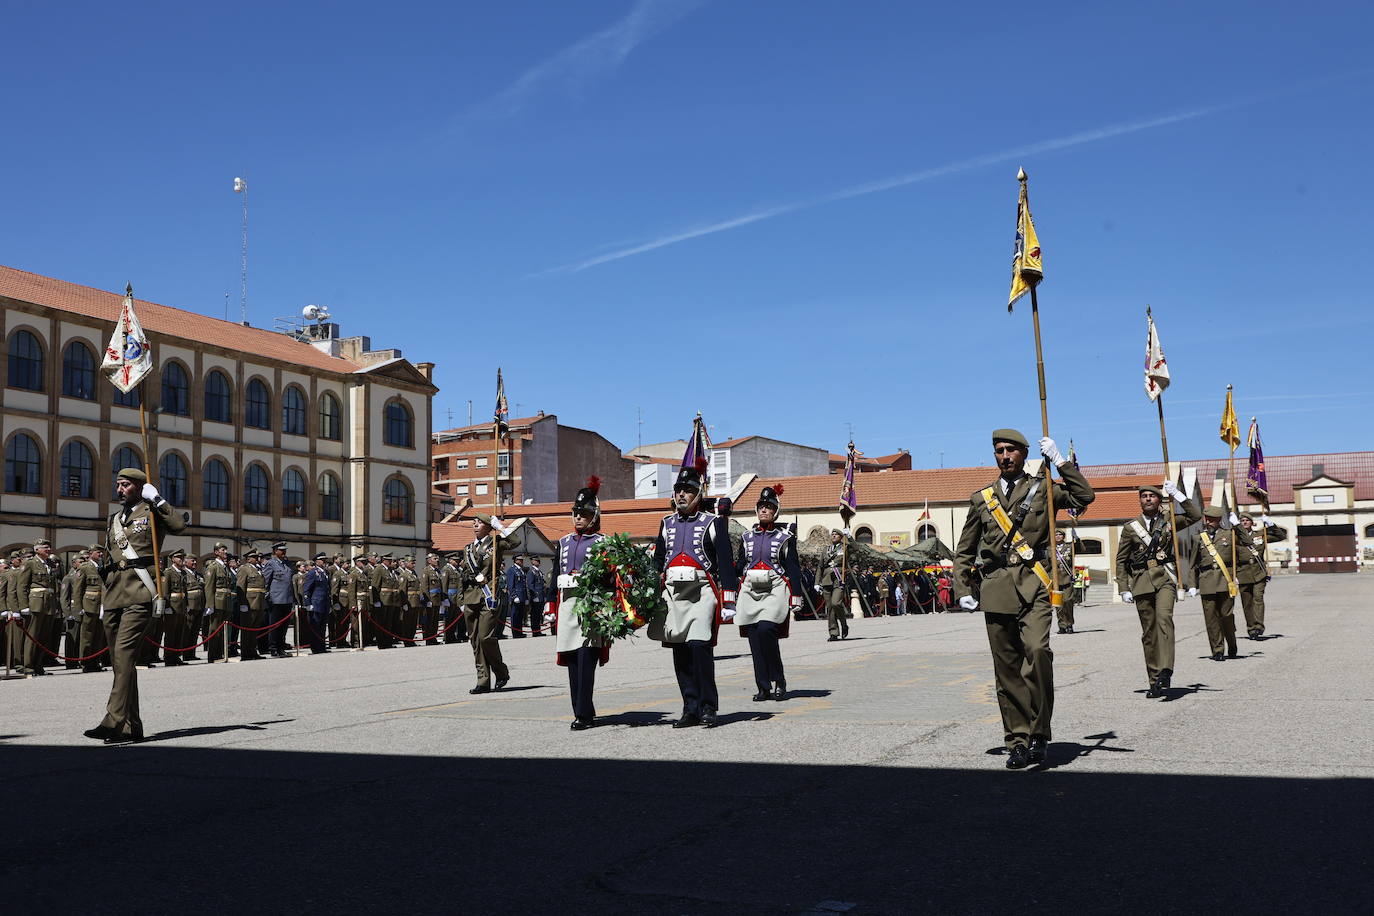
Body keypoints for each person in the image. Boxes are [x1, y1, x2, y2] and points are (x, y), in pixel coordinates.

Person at [954, 429, 1094, 770]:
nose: (1004, 456)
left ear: (1024, 454)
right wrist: (963, 590)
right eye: (999, 450)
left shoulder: (1043, 489)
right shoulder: (981, 499)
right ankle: (1017, 740)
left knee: (1037, 652)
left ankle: (1039, 733)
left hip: (1036, 584)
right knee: (1007, 671)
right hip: (997, 588)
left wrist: (1061, 463)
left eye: (1011, 450)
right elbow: (964, 550)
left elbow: (1083, 497)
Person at [83, 467, 186, 744]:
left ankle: (113, 720)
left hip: (140, 592)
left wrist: (159, 500)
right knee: (119, 663)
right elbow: (110, 557)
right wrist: (106, 596)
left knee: (125, 655)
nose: (119, 489)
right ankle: (132, 726)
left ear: (139, 487)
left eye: (125, 484)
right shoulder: (115, 519)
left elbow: (179, 526)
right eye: (118, 484)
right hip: (114, 593)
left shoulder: (152, 512)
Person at [650, 465, 738, 728]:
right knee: (680, 652)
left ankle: (709, 707)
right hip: (673, 595)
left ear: (699, 494)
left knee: (699, 647)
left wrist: (729, 599)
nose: (682, 495)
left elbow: (725, 562)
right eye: (679, 490)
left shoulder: (713, 523)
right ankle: (690, 708)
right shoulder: (666, 523)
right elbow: (657, 561)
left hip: (702, 593)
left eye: (688, 491)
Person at [1115, 482, 1202, 696]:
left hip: (1164, 578)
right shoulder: (1130, 527)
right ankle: (1154, 680)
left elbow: (1195, 515)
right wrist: (1123, 587)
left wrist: (1179, 495)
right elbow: (1121, 560)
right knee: (1149, 633)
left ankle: (1166, 670)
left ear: (1159, 500)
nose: (1147, 499)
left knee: (1164, 620)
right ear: (1140, 500)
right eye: (1143, 496)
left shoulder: (1169, 521)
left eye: (1151, 496)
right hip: (1141, 580)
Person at [734, 484, 803, 702]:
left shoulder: (785, 537)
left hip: (774, 588)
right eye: (761, 506)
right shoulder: (746, 537)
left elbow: (793, 567)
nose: (764, 510)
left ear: (775, 511)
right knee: (754, 637)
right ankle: (763, 686)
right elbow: (740, 565)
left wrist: (796, 595)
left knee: (766, 630)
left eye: (769, 507)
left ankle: (778, 679)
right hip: (750, 588)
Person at [552, 477, 609, 729]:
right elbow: (554, 576)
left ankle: (583, 714)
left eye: (583, 514)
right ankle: (580, 708)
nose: (578, 518)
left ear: (594, 516)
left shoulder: (603, 542)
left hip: (591, 606)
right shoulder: (563, 542)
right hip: (566, 605)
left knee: (586, 660)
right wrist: (549, 608)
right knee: (572, 662)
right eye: (576, 513)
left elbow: (610, 578)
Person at [461, 515, 513, 693]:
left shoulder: (496, 543)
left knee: (485, 637)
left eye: (480, 522)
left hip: (488, 596)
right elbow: (465, 576)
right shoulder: (467, 549)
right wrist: (460, 600)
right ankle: (482, 680)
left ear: (488, 526)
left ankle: (501, 672)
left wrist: (500, 526)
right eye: (474, 523)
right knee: (475, 640)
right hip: (470, 597)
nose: (475, 525)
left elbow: (515, 541)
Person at [1193, 507, 1245, 661]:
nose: (1208, 521)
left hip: (1225, 580)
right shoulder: (1199, 538)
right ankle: (1217, 650)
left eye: (1211, 519)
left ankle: (1232, 642)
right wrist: (1191, 584)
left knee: (1226, 616)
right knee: (1211, 618)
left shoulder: (1230, 534)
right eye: (1206, 518)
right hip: (1206, 581)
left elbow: (1248, 542)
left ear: (1219, 520)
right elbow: (1192, 562)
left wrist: (1238, 526)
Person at [17, 539, 62, 676]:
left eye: (49, 547)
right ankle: (28, 665)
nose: (48, 549)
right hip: (36, 604)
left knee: (44, 637)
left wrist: (56, 605)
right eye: (44, 547)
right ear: (37, 550)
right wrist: (24, 606)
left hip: (49, 604)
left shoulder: (49, 563)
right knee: (33, 636)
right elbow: (21, 586)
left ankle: (38, 665)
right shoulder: (30, 564)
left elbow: (54, 586)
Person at [1236, 513, 1275, 638]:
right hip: (1242, 572)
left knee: (1258, 598)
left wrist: (1271, 524)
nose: (1245, 522)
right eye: (1242, 520)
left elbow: (1280, 535)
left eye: (1247, 520)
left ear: (1252, 523)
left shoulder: (1260, 535)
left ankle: (1258, 626)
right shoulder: (1235, 537)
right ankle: (1251, 628)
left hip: (1259, 572)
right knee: (1247, 603)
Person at [76, 545, 108, 672]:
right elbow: (78, 589)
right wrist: (79, 607)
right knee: (87, 636)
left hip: (100, 604)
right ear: (90, 553)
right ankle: (86, 662)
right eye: (98, 552)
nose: (100, 554)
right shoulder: (84, 567)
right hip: (89, 605)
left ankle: (95, 661)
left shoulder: (102, 568)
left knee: (98, 635)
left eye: (101, 552)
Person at [261, 542, 294, 658]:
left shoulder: (287, 564)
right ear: (275, 551)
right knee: (275, 626)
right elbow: (265, 581)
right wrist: (267, 597)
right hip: (276, 600)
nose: (284, 552)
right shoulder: (271, 564)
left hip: (287, 599)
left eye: (285, 550)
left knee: (284, 626)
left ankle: (281, 647)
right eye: (281, 550)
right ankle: (273, 648)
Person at [203, 543, 234, 662]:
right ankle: (213, 655)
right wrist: (210, 605)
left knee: (223, 629)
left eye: (226, 550)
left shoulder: (225, 567)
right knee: (215, 628)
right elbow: (209, 587)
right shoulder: (213, 566)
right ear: (216, 552)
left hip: (225, 601)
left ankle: (221, 653)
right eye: (222, 550)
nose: (225, 552)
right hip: (217, 601)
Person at [816, 530, 850, 640]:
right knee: (830, 607)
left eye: (836, 534)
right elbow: (820, 567)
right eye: (832, 534)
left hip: (839, 579)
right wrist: (817, 582)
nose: (834, 535)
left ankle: (844, 624)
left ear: (841, 537)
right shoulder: (826, 550)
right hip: (826, 580)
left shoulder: (845, 547)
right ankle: (833, 633)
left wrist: (850, 537)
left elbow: (856, 548)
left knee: (836, 603)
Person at [236, 548, 268, 660]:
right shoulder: (244, 569)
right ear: (249, 559)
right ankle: (245, 653)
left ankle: (252, 651)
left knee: (255, 629)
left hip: (259, 602)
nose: (258, 559)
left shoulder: (258, 569)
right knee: (247, 629)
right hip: (249, 603)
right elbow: (240, 587)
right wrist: (242, 604)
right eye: (255, 557)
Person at [161, 549, 189, 667]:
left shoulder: (183, 573)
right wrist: (166, 607)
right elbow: (165, 591)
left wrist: (186, 605)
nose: (181, 559)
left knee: (179, 633)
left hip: (181, 606)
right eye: (178, 557)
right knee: (170, 633)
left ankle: (177, 656)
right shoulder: (168, 572)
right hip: (172, 606)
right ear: (172, 559)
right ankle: (169, 657)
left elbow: (185, 591)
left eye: (182, 557)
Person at [302, 553, 332, 654]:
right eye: (322, 560)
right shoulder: (313, 572)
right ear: (316, 561)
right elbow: (306, 589)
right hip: (316, 603)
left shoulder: (325, 573)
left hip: (324, 603)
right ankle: (315, 647)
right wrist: (308, 603)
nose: (324, 562)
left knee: (322, 626)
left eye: (325, 560)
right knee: (316, 626)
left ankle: (321, 646)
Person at [183, 553, 205, 662]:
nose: (195, 563)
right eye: (192, 561)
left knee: (195, 631)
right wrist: (185, 605)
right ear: (186, 562)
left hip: (199, 606)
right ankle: (186, 653)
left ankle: (192, 653)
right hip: (190, 607)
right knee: (188, 630)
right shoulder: (183, 574)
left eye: (195, 561)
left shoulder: (199, 575)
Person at [420, 553, 444, 646]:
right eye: (435, 559)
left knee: (435, 620)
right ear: (429, 561)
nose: (437, 560)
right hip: (431, 599)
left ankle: (433, 637)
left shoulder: (437, 571)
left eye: (437, 559)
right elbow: (424, 586)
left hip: (437, 599)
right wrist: (427, 600)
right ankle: (428, 638)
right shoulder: (426, 571)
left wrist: (442, 599)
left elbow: (440, 586)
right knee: (429, 620)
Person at [400, 556, 423, 646]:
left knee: (414, 622)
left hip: (416, 601)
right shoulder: (404, 575)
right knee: (407, 622)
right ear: (406, 563)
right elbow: (402, 590)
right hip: (409, 602)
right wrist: (404, 603)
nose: (414, 564)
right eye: (411, 563)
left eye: (414, 563)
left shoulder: (414, 574)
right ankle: (407, 640)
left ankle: (411, 639)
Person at [505, 554, 530, 637]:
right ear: (515, 560)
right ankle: (515, 633)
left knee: (520, 615)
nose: (521, 561)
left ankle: (519, 632)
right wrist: (514, 596)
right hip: (516, 597)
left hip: (522, 596)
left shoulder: (521, 570)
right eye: (520, 560)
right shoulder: (512, 570)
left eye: (522, 560)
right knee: (515, 615)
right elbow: (510, 585)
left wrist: (526, 597)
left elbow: (524, 585)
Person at [526, 556, 546, 637]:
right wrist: (534, 596)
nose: (538, 562)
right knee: (534, 615)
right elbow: (530, 585)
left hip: (541, 596)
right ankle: (535, 631)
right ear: (532, 562)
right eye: (536, 561)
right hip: (535, 597)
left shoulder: (539, 571)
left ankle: (538, 631)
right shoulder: (531, 572)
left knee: (539, 615)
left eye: (538, 561)